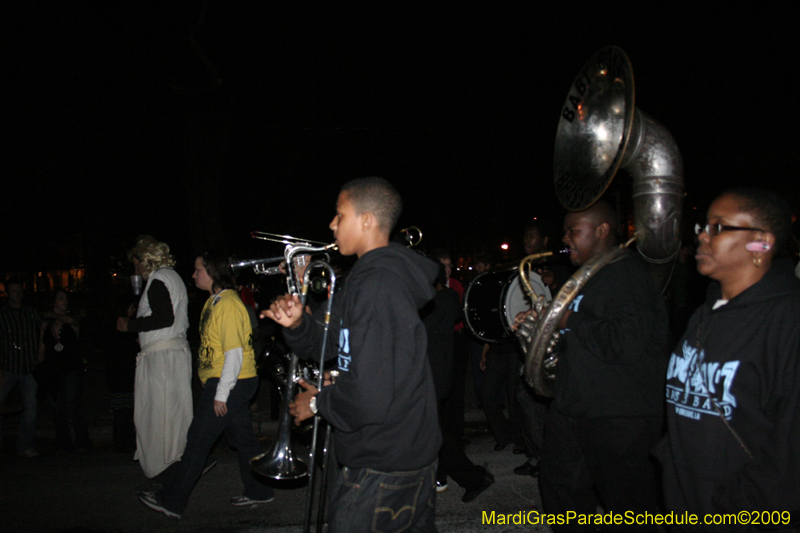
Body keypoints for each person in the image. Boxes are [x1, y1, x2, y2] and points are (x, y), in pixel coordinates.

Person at [266, 177, 440, 532]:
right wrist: (297, 325)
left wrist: (317, 404)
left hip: (384, 464)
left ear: (366, 221)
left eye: (339, 214)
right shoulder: (365, 280)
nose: (331, 224)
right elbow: (333, 345)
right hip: (401, 454)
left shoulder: (376, 285)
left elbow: (371, 396)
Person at [656, 188, 800, 528]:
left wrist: (731, 508)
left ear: (761, 243)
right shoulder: (704, 315)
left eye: (719, 228)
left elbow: (788, 453)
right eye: (703, 227)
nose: (703, 236)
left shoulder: (788, 320)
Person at [536, 200, 669, 531]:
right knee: (560, 496)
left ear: (602, 230)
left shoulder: (627, 275)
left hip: (620, 415)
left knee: (629, 509)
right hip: (575, 408)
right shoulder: (584, 278)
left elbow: (624, 343)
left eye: (573, 231)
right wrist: (539, 325)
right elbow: (576, 334)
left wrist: (567, 319)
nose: (565, 239)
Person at [139, 251, 273, 519]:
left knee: (198, 441)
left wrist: (221, 393)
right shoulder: (215, 302)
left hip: (231, 382)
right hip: (231, 381)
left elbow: (234, 354)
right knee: (244, 440)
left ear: (212, 272)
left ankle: (171, 500)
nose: (193, 275)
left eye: (198, 270)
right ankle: (260, 490)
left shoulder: (228, 305)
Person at [117, 235, 192, 478]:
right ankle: (175, 461)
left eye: (137, 263)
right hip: (173, 355)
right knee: (172, 414)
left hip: (162, 359)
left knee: (157, 415)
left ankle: (162, 468)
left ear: (146, 260)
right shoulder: (172, 277)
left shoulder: (159, 279)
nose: (136, 269)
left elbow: (164, 318)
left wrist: (130, 325)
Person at [422, 262, 494, 502]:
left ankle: (474, 478)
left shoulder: (437, 305)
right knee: (435, 434)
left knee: (436, 436)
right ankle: (451, 476)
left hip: (433, 378)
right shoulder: (443, 301)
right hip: (435, 377)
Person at [37, 289, 92, 452]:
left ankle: (82, 441)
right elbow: (42, 349)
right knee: (56, 407)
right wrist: (39, 369)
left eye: (66, 298)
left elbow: (72, 320)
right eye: (61, 298)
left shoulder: (72, 319)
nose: (65, 301)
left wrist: (51, 315)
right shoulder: (46, 324)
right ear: (54, 302)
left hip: (71, 369)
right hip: (52, 370)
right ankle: (63, 442)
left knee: (73, 404)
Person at [0, 279, 42, 458]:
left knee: (30, 408)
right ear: (8, 294)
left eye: (19, 290)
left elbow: (43, 326)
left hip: (28, 367)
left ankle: (25, 446)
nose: (17, 294)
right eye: (14, 291)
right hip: (7, 367)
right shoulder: (2, 315)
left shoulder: (31, 313)